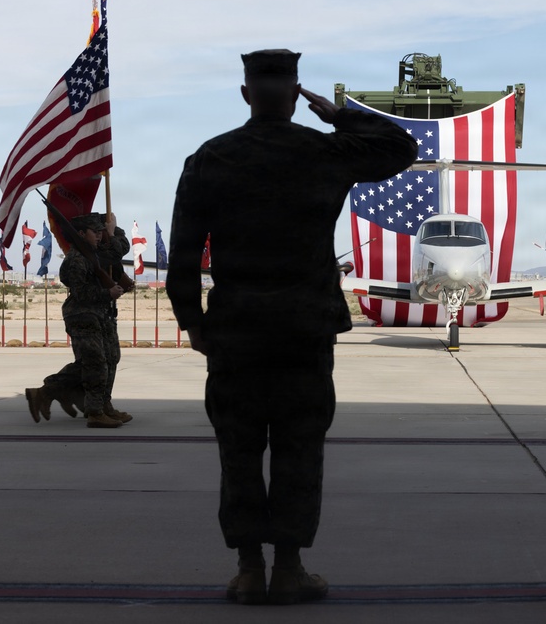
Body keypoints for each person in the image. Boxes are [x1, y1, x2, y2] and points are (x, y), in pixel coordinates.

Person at [166, 49, 417, 606]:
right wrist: (339, 114)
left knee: (239, 448)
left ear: (246, 93)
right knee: (299, 447)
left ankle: (249, 569)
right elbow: (402, 148)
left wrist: (193, 323)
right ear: (296, 94)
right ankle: (290, 567)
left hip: (236, 327)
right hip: (304, 329)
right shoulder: (326, 150)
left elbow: (183, 255)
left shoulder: (211, 158)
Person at [25, 213, 131, 428]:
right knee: (94, 363)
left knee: (111, 358)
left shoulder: (95, 253)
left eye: (102, 232)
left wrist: (114, 231)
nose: (100, 236)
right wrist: (107, 294)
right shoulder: (77, 259)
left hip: (101, 313)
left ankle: (103, 405)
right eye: (96, 232)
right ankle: (93, 411)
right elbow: (81, 292)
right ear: (81, 234)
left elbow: (120, 249)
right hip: (82, 314)